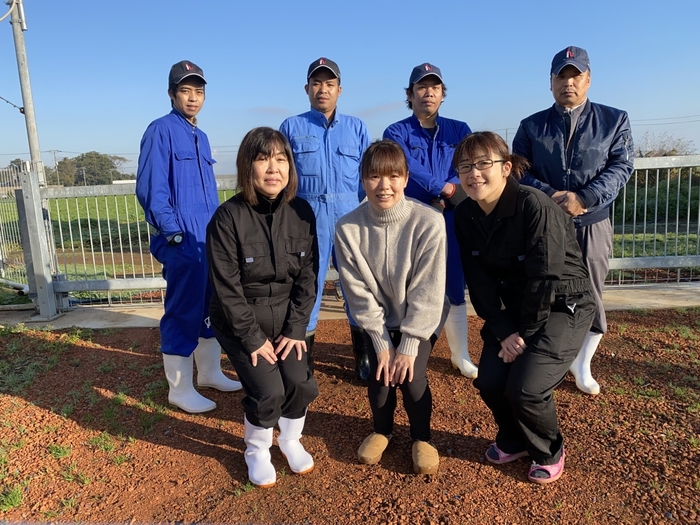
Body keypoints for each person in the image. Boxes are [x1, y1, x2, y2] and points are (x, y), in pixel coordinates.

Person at [453, 131, 596, 484]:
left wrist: (524, 336)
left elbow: (545, 278)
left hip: (564, 302)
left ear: (506, 167)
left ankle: (548, 450)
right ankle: (515, 439)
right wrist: (504, 330)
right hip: (515, 307)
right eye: (465, 167)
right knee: (489, 381)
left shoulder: (535, 206)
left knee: (526, 388)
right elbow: (479, 279)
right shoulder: (465, 214)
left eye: (484, 164)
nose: (474, 174)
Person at [513, 46, 634, 395]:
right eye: (561, 75)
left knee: (591, 290)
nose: (569, 82)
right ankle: (548, 359)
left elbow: (621, 166)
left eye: (575, 75)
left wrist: (585, 198)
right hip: (546, 223)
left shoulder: (615, 120)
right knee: (542, 287)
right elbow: (519, 170)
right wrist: (551, 196)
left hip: (592, 221)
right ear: (551, 82)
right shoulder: (531, 125)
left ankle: (583, 364)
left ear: (588, 79)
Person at [206, 127, 319, 489]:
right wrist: (253, 339)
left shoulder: (302, 212)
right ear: (247, 166)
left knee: (300, 384)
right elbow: (227, 289)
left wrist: (295, 329)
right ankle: (256, 448)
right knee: (268, 392)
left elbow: (308, 278)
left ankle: (289, 440)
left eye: (281, 159)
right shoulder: (227, 217)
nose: (274, 168)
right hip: (241, 321)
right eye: (263, 158)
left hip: (287, 318)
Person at [335, 140, 448, 475]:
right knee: (380, 376)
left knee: (411, 377)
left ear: (405, 177)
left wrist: (409, 344)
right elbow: (357, 292)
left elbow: (428, 291)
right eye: (374, 176)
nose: (384, 185)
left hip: (421, 317)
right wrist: (383, 344)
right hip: (378, 320)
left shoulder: (428, 221)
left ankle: (422, 438)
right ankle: (382, 431)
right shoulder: (348, 227)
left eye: (393, 176)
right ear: (362, 179)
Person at [136, 60, 242, 414]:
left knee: (211, 306)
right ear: (171, 94)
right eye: (185, 90)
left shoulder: (202, 136)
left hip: (207, 238)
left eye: (198, 91)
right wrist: (175, 234)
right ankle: (179, 389)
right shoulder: (160, 130)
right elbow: (152, 189)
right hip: (183, 240)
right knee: (182, 310)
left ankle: (210, 373)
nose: (193, 97)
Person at [383, 63, 477, 379]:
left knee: (453, 282)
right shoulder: (396, 132)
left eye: (434, 87)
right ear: (410, 94)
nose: (429, 93)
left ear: (442, 93)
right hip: (411, 217)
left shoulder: (460, 129)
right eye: (422, 87)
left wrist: (450, 189)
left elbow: (467, 163)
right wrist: (442, 188)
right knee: (408, 283)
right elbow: (406, 166)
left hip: (451, 214)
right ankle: (407, 348)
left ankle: (459, 354)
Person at [280, 57, 372, 381]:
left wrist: (355, 205)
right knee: (308, 285)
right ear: (307, 89)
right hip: (308, 215)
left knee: (356, 284)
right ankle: (303, 362)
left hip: (349, 215)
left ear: (339, 89)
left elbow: (367, 175)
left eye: (329, 84)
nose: (323, 89)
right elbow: (283, 175)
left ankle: (363, 357)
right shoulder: (291, 127)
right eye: (317, 83)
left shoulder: (357, 128)